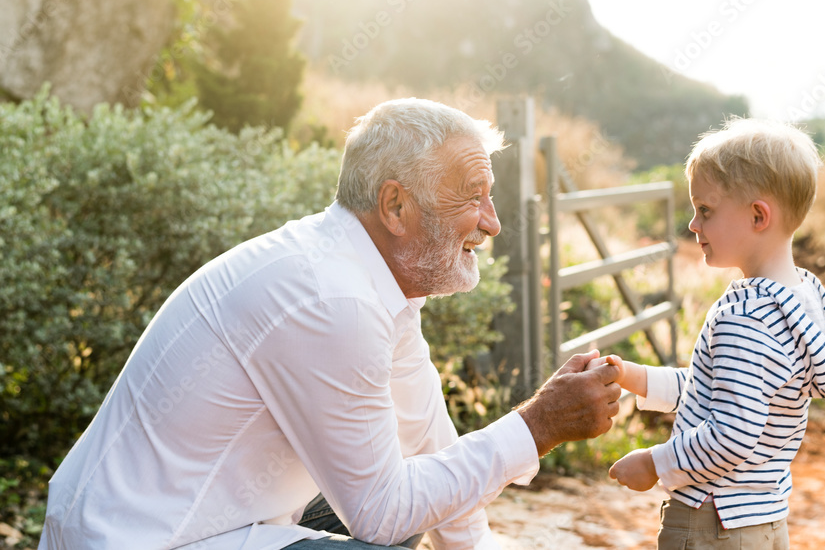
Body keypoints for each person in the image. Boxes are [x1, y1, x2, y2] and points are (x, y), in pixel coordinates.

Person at [38, 98, 622, 550]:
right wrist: (538, 424)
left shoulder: (361, 275)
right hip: (146, 539)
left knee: (418, 485)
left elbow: (427, 436)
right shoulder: (332, 299)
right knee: (393, 519)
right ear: (395, 206)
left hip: (191, 522)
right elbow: (382, 512)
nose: (492, 224)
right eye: (474, 198)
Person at [603, 118, 825, 549]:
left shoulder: (746, 316)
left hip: (711, 520)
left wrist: (655, 463)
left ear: (759, 215)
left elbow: (732, 431)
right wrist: (633, 376)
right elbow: (719, 392)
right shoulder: (801, 297)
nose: (693, 224)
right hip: (763, 518)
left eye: (705, 210)